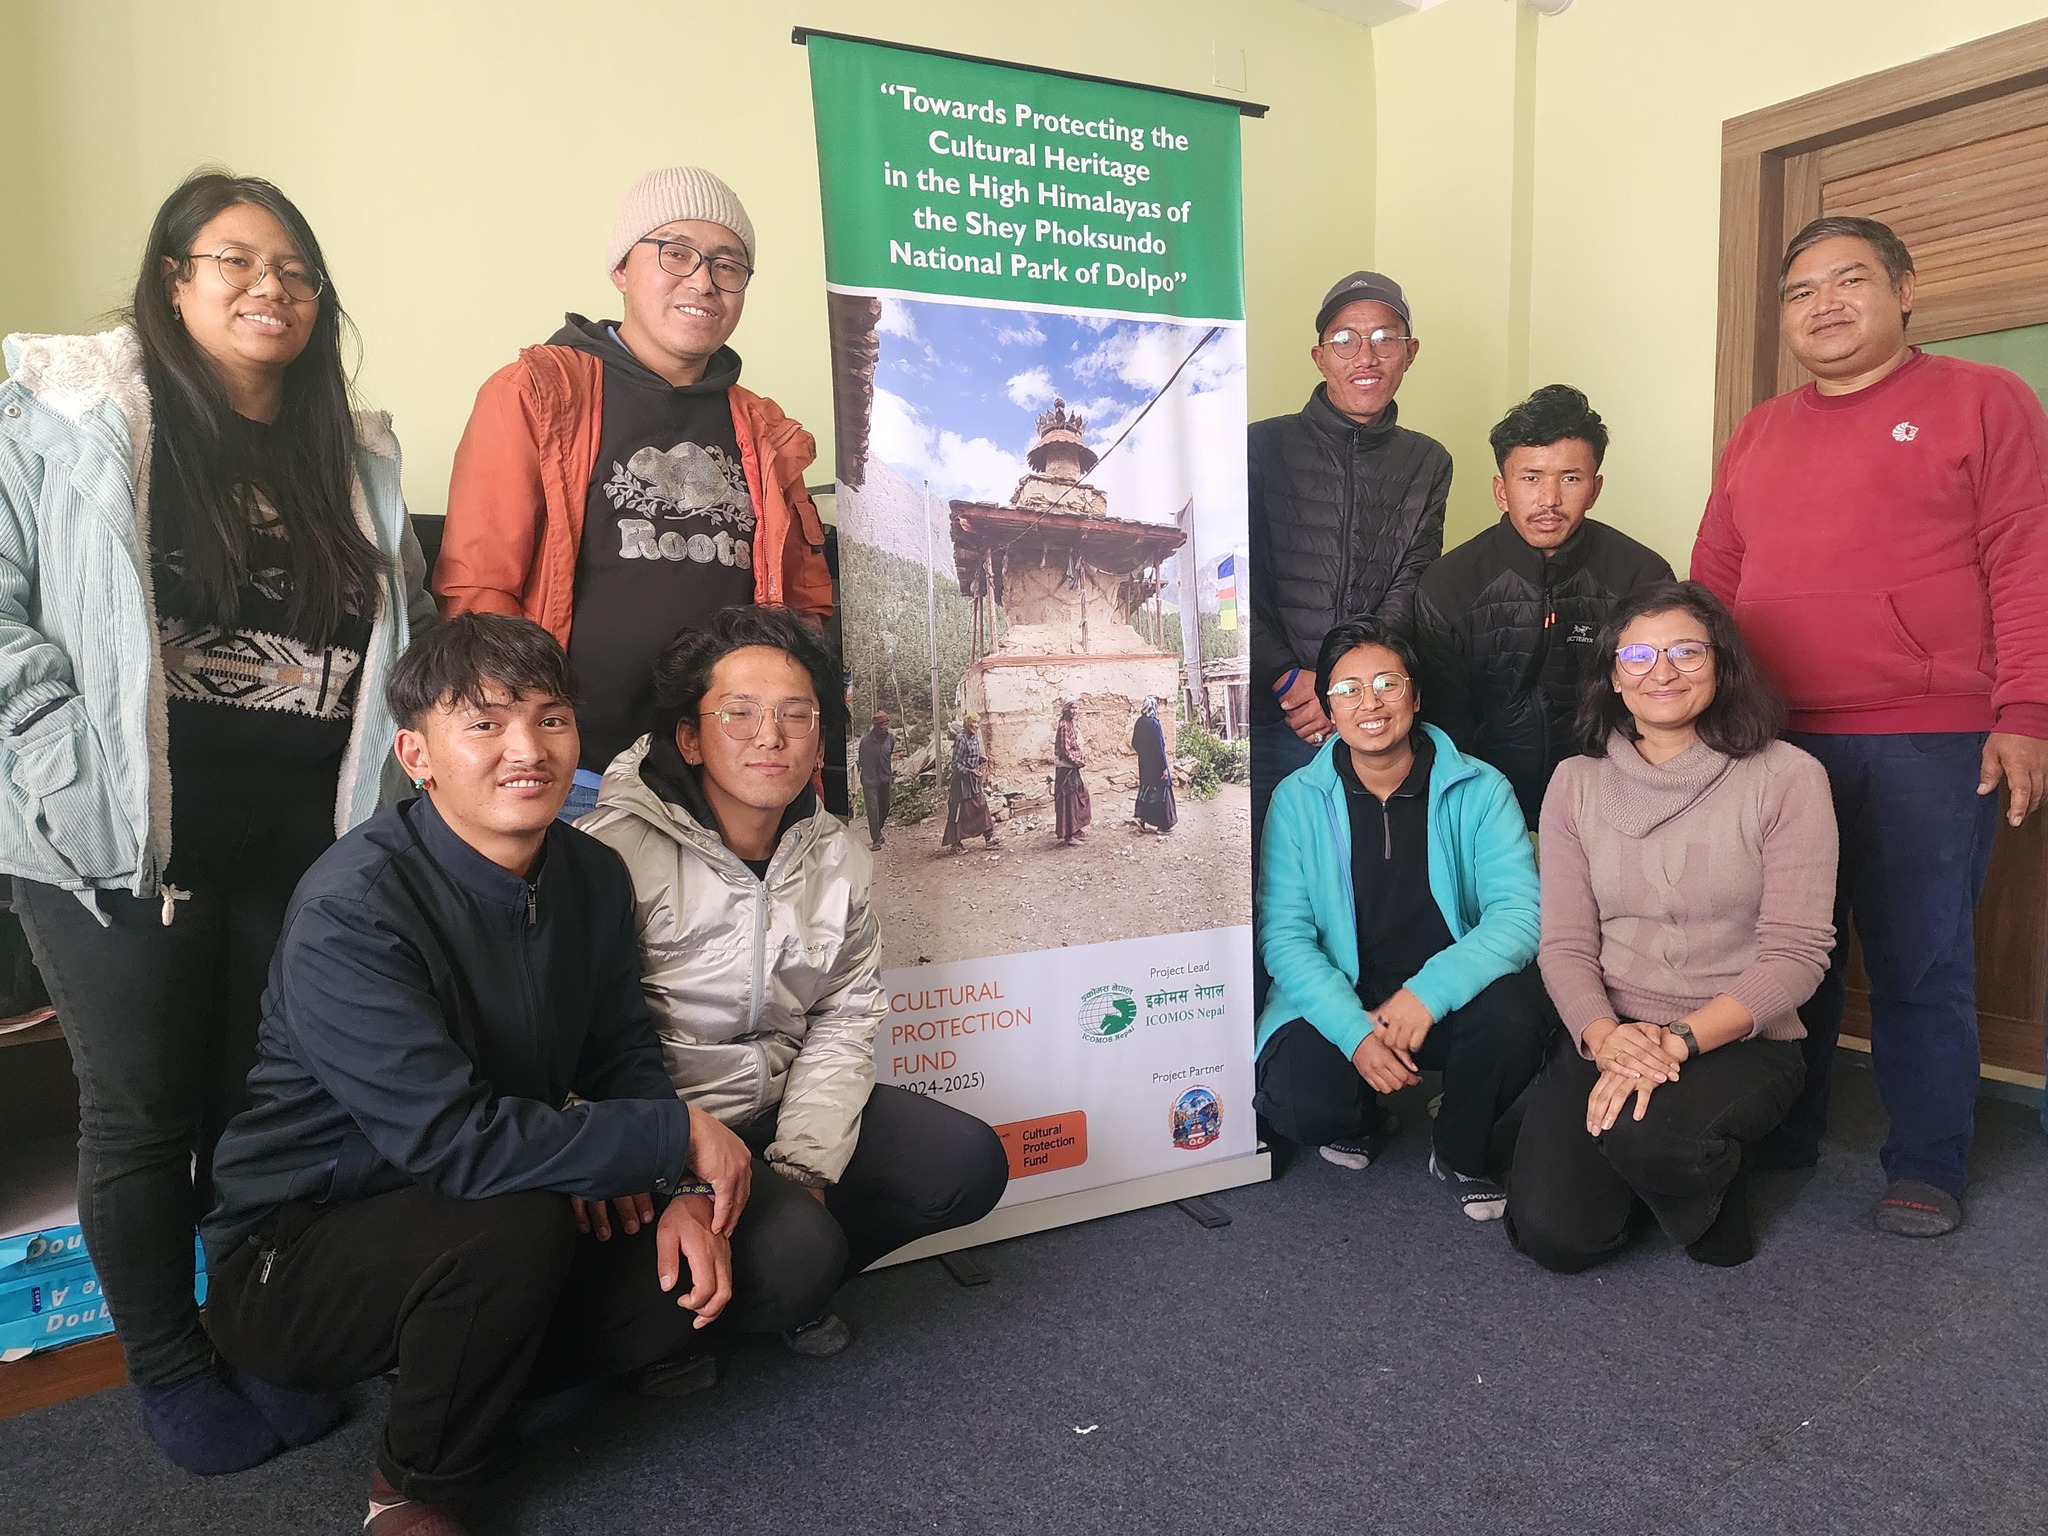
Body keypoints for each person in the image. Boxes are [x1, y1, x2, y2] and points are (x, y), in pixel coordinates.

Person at [0, 171, 430, 1475]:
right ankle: (169, 1364)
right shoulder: (63, 418)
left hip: (296, 846)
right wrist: (65, 770)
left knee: (259, 1107)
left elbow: (400, 637)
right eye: (235, 260)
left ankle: (250, 1329)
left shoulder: (351, 456)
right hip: (118, 839)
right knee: (144, 1114)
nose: (269, 287)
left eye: (295, 270)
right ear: (172, 280)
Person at [203, 615, 779, 1536]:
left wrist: (672, 1186)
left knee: (736, 1257)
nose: (529, 750)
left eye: (552, 719)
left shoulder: (590, 873)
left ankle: (463, 1354)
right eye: (485, 723)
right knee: (515, 1225)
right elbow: (451, 1143)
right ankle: (413, 1484)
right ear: (416, 755)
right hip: (302, 1246)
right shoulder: (353, 909)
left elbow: (621, 1050)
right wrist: (667, 1136)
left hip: (491, 1196)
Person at [1692, 215, 2048, 1237]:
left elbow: (2026, 556)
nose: (1824, 305)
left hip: (1926, 737)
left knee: (1919, 957)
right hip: (1772, 737)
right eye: (1800, 291)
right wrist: (1697, 713)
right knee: (1782, 952)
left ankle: (1926, 1160)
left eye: (1848, 280)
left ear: (1903, 290)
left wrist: (2025, 710)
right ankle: (1782, 1129)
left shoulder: (1983, 399)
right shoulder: (1760, 430)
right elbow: (1713, 579)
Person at [579, 606, 1010, 1357]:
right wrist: (660, 1163)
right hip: (663, 1128)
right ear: (690, 737)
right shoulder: (606, 856)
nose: (770, 736)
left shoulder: (836, 854)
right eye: (739, 713)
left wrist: (805, 1163)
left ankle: (775, 1278)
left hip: (776, 1106)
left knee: (965, 1165)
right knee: (796, 1255)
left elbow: (845, 1014)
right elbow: (575, 1036)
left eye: (795, 713)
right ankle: (693, 1315)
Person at [432, 165, 832, 821]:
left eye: (728, 265)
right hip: (571, 779)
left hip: (720, 782)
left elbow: (801, 611)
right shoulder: (538, 394)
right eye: (676, 253)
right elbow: (478, 591)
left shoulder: (764, 431)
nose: (703, 280)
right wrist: (512, 749)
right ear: (622, 268)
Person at [1505, 582, 1838, 1272]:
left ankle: (1704, 1176)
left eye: (1687, 652)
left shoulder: (1788, 777)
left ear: (1721, 665)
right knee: (1556, 1238)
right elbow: (1565, 945)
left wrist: (1676, 1041)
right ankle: (1640, 1162)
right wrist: (1607, 1037)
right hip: (1614, 1030)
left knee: (1651, 1140)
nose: (1662, 672)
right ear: (1613, 677)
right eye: (1638, 656)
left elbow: (1797, 956)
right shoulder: (1574, 782)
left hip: (1737, 1036)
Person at [1254, 619, 1547, 1220]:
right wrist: (1354, 1032)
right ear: (1328, 708)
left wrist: (1426, 994)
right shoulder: (1296, 799)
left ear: (1415, 696)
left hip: (1446, 998)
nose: (1371, 703)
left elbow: (1520, 914)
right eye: (1348, 690)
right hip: (1344, 997)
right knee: (1300, 1102)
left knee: (1521, 1017)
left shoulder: (1481, 788)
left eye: (1388, 683)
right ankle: (1365, 1113)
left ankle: (1458, 1148)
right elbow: (1284, 937)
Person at [1247, 270, 1450, 856]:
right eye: (1345, 340)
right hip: (1276, 709)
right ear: (1319, 357)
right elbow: (1233, 577)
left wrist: (1349, 688)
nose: (1366, 356)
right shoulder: (1261, 446)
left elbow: (1412, 578)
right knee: (1266, 874)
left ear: (1410, 353)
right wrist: (1288, 679)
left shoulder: (1428, 461)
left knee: (1366, 871)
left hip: (1369, 708)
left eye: (1385, 338)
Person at [1413, 385, 1672, 826]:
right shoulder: (1449, 584)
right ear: (1501, 490)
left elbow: (1659, 710)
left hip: (1613, 804)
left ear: (1595, 489)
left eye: (1570, 478)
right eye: (1531, 478)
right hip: (1487, 810)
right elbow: (1444, 726)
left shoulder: (1640, 575)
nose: (1549, 500)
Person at [942, 712, 998, 851]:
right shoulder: (961, 739)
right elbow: (956, 763)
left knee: (982, 805)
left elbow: (970, 756)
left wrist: (980, 759)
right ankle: (955, 845)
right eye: (973, 722)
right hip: (961, 783)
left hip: (973, 781)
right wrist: (969, 771)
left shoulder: (974, 737)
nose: (976, 726)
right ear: (967, 724)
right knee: (959, 811)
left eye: (977, 723)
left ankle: (989, 838)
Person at [1130, 697, 1178, 833]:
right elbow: (1159, 748)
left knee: (1146, 790)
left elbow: (1134, 743)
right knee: (1161, 793)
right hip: (1156, 765)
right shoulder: (1154, 724)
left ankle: (1141, 818)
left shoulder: (1139, 722)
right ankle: (1163, 826)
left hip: (1145, 764)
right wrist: (1164, 768)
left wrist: (1144, 754)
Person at [1053, 698, 1092, 844]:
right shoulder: (1064, 726)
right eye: (1072, 708)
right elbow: (1065, 751)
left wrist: (1081, 756)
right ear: (1065, 709)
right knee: (1069, 801)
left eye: (1076, 708)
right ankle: (1069, 836)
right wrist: (1078, 761)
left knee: (1080, 796)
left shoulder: (1070, 724)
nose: (1074, 711)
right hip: (1066, 770)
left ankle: (1076, 829)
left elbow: (1074, 746)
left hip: (1072, 768)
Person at [857, 710, 896, 850]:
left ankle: (878, 831)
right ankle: (875, 840)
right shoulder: (865, 742)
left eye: (887, 724)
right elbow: (861, 760)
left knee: (885, 808)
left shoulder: (891, 739)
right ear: (876, 725)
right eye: (883, 724)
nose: (886, 727)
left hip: (885, 779)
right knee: (873, 810)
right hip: (870, 780)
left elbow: (888, 755)